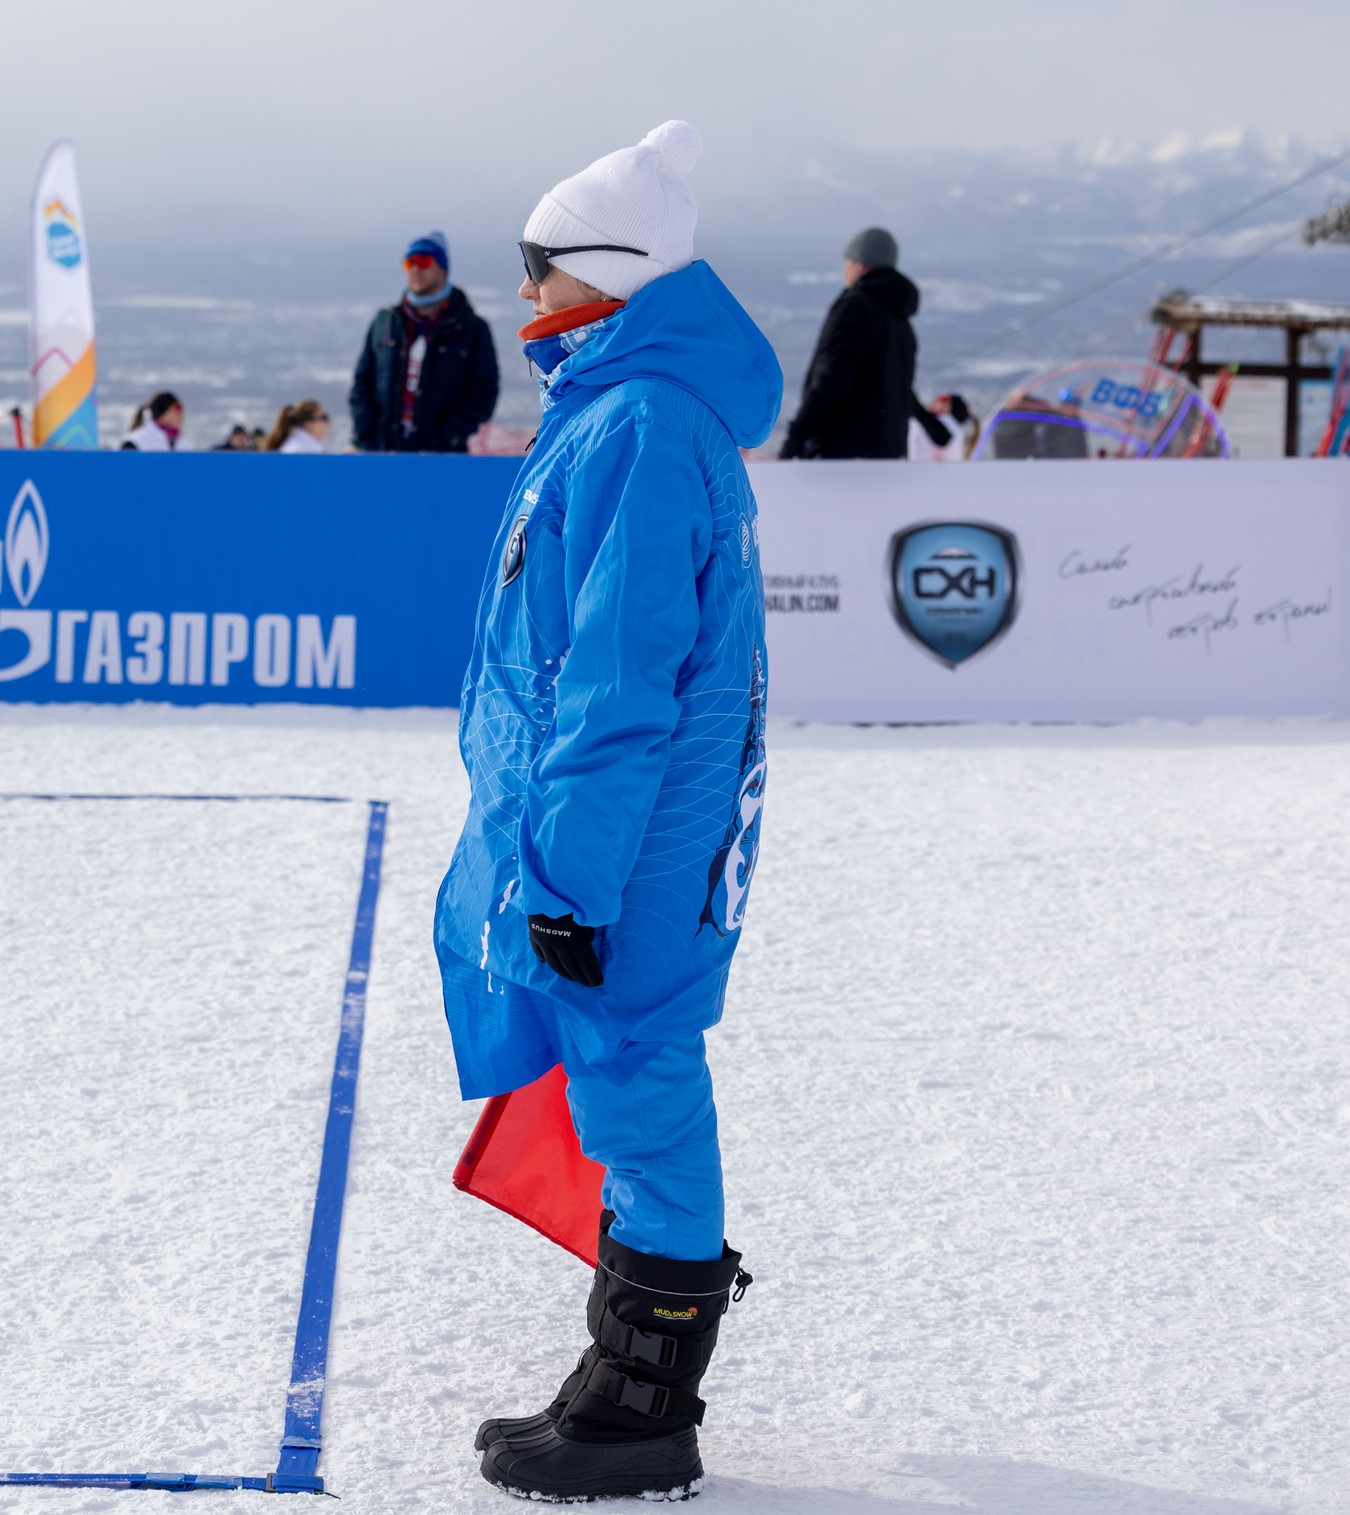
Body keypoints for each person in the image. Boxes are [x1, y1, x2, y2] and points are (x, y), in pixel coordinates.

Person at [433, 119, 779, 1502]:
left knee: (637, 1075)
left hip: (628, 848)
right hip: (623, 837)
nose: (524, 299)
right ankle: (620, 1375)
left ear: (613, 277)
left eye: (543, 271)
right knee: (621, 1074)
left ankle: (645, 1407)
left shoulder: (638, 423)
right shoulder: (622, 408)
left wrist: (566, 878)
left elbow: (620, 683)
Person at [778, 228, 922, 459]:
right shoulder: (900, 320)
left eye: (848, 261)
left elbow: (833, 379)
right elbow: (903, 391)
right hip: (890, 455)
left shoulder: (855, 309)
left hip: (844, 457)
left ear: (861, 265)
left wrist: (797, 436)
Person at [350, 232, 499, 453]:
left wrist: (449, 437)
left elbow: (483, 393)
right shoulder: (386, 323)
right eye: (409, 263)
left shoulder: (471, 328)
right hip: (383, 453)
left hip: (441, 458)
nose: (415, 269)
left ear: (443, 268)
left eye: (424, 261)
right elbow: (362, 383)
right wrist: (369, 434)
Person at [911, 392, 978, 460]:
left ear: (948, 408)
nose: (936, 399)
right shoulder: (956, 430)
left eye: (943, 398)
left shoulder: (945, 422)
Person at [117, 391, 186, 451]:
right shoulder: (134, 442)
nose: (181, 413)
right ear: (164, 412)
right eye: (177, 407)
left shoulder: (184, 443)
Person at [263, 399, 333, 454]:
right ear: (308, 424)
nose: (329, 422)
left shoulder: (304, 447)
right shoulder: (301, 450)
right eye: (324, 417)